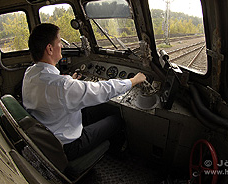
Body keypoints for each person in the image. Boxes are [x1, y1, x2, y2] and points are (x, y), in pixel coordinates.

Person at [22, 23, 146, 160]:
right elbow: (102, 90)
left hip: (47, 136)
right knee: (115, 121)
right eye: (59, 42)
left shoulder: (30, 73)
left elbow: (52, 87)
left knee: (88, 110)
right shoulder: (62, 86)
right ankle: (115, 157)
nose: (62, 45)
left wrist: (70, 81)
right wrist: (133, 81)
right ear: (50, 49)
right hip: (68, 146)